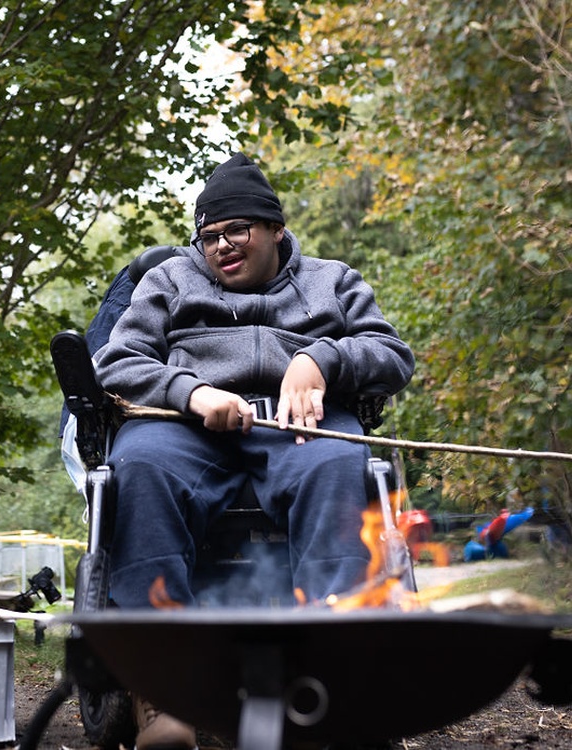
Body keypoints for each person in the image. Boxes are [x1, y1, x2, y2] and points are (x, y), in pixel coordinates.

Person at [92, 152, 415, 749]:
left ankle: (333, 680)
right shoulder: (169, 280)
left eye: (236, 230)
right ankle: (162, 694)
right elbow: (115, 361)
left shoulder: (333, 280)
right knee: (138, 467)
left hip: (303, 423)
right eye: (208, 236)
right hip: (186, 426)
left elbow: (392, 356)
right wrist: (191, 392)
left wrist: (321, 357)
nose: (220, 246)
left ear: (275, 229)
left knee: (340, 467)